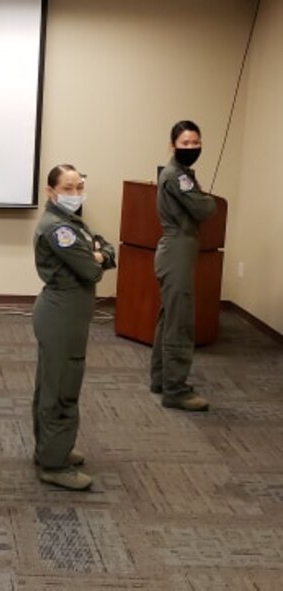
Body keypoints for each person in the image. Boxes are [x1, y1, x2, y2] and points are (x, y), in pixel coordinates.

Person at [32, 164, 116, 491]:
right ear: (51, 192)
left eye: (80, 186)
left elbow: (106, 249)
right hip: (61, 314)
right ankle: (54, 464)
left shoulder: (72, 221)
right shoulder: (58, 228)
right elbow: (91, 269)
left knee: (53, 383)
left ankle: (49, 449)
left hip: (67, 314)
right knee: (61, 387)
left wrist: (98, 254)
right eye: (68, 188)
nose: (76, 193)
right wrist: (95, 257)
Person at [150, 121, 216, 411]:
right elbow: (204, 209)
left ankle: (161, 379)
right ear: (173, 145)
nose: (191, 147)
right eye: (185, 143)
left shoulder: (181, 173)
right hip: (176, 249)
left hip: (178, 250)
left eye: (195, 142)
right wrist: (207, 199)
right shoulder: (178, 176)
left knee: (169, 317)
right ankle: (176, 390)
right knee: (181, 321)